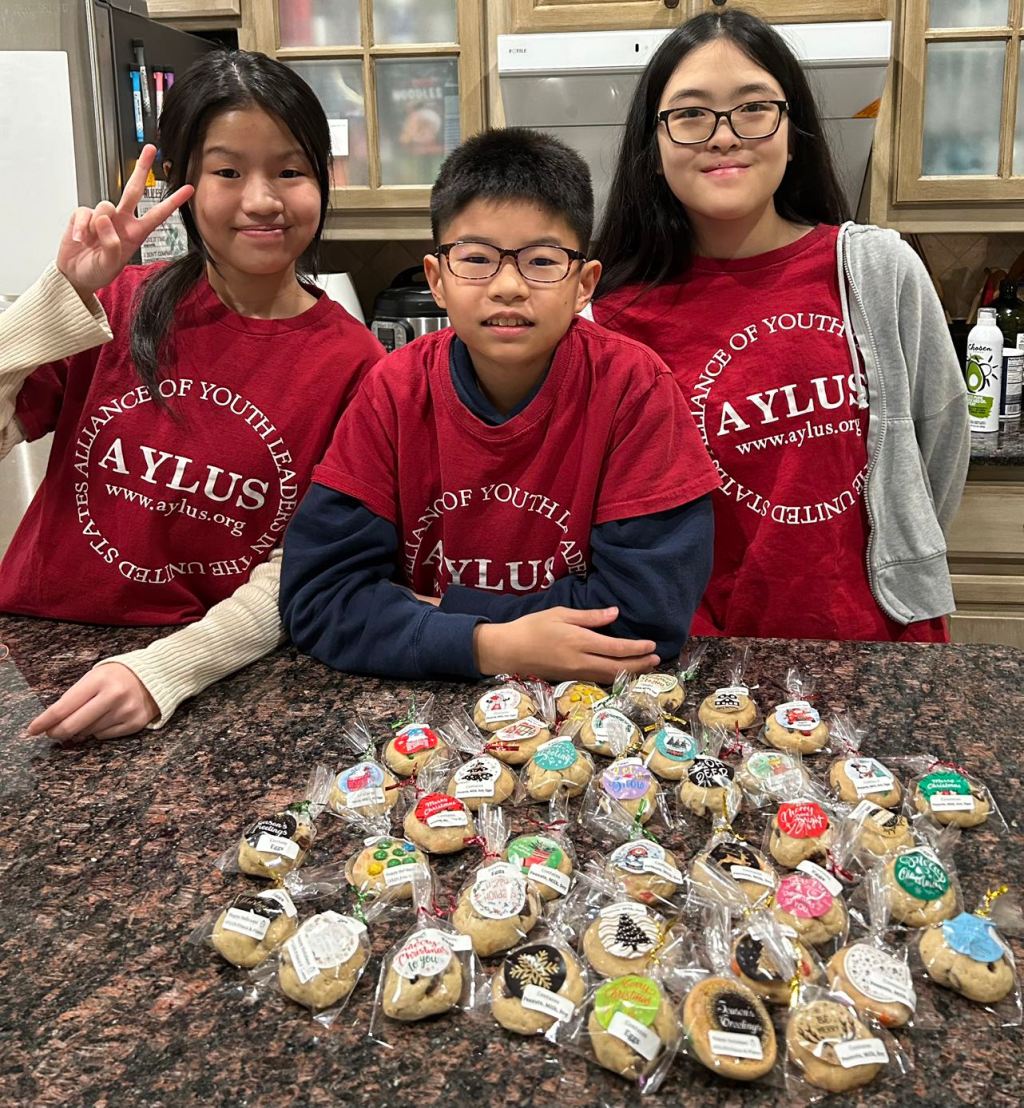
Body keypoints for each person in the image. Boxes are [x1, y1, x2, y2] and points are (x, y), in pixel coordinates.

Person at [0, 50, 383, 739]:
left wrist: (166, 670)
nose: (262, 199)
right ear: (182, 183)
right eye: (228, 171)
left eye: (290, 171)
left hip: (204, 674)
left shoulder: (353, 363)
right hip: (34, 651)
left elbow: (300, 564)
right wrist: (62, 294)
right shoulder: (117, 303)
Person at [280, 128, 719, 682]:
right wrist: (493, 645)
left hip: (593, 713)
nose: (508, 286)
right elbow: (319, 598)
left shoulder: (634, 389)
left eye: (541, 260)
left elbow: (645, 618)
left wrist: (444, 614)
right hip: (426, 707)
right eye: (478, 258)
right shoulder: (393, 391)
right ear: (437, 279)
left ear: (584, 284)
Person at [591, 8, 969, 643]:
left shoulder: (876, 269)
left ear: (794, 132)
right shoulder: (608, 317)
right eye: (689, 114)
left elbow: (940, 445)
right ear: (652, 151)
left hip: (882, 645)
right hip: (697, 662)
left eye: (752, 108)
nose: (723, 136)